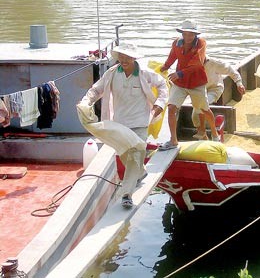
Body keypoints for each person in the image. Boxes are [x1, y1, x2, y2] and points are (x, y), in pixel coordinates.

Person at [79, 43, 168, 208]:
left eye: (127, 57)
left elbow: (163, 85)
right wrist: (86, 102)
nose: (124, 60)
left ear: (134, 58)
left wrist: (159, 105)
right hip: (120, 123)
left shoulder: (145, 74)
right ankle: (141, 173)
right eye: (121, 56)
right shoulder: (112, 73)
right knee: (126, 156)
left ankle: (126, 194)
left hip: (141, 122)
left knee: (135, 155)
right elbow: (96, 90)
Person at [159, 19, 220, 147]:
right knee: (171, 108)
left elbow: (197, 63)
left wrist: (179, 73)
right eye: (185, 34)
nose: (188, 37)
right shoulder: (176, 43)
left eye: (191, 34)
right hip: (180, 83)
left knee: (204, 109)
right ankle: (173, 140)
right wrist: (164, 67)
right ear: (182, 33)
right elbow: (172, 57)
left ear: (195, 35)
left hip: (196, 83)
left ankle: (214, 134)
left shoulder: (201, 43)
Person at [191, 57, 246, 138]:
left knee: (201, 106)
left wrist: (239, 83)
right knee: (194, 115)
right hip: (201, 90)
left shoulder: (214, 63)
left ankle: (214, 134)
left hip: (215, 89)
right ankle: (203, 135)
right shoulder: (191, 64)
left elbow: (231, 70)